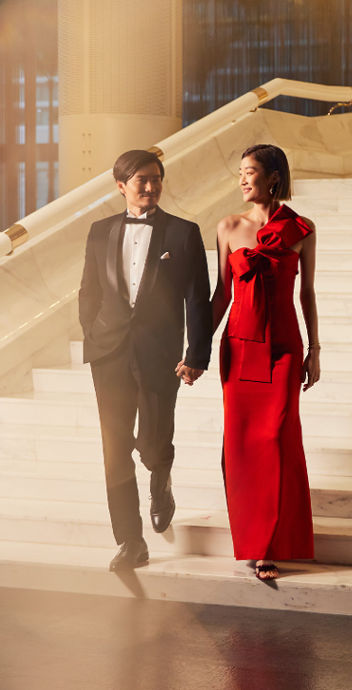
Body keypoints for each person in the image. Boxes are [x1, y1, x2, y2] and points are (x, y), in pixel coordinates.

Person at [79, 149, 212, 571]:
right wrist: (94, 335)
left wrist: (197, 354)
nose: (151, 187)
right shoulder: (99, 231)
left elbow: (197, 298)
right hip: (109, 353)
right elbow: (89, 291)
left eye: (156, 179)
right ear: (121, 186)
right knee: (114, 448)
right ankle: (131, 542)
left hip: (160, 354)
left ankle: (160, 475)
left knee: (153, 441)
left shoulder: (183, 232)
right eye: (142, 180)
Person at [211, 144, 319, 581]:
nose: (242, 180)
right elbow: (221, 294)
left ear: (273, 177)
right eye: (239, 172)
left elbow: (306, 293)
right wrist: (195, 348)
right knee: (241, 445)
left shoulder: (302, 228)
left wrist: (315, 350)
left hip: (283, 348)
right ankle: (256, 547)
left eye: (250, 171)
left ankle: (276, 541)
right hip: (239, 347)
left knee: (275, 439)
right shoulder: (227, 226)